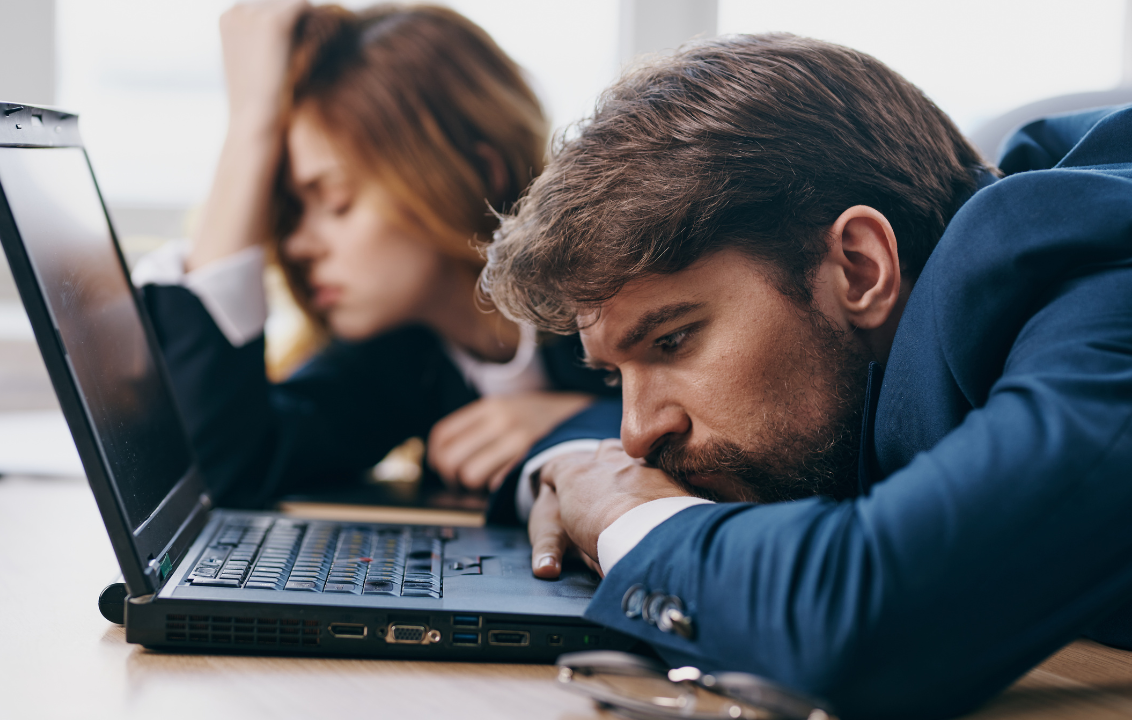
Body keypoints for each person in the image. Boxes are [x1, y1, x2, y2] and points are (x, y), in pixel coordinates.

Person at [481, 33, 1132, 719]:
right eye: (617, 376)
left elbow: (866, 618)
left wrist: (621, 512)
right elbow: (611, 449)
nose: (637, 435)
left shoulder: (1096, 270)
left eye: (673, 340)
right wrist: (574, 469)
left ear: (859, 269)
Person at [132, 1, 617, 509]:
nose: (296, 245)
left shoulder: (614, 289)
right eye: (293, 212)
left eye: (337, 201)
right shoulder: (397, 361)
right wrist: (250, 126)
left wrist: (574, 424)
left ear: (474, 174)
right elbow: (220, 467)